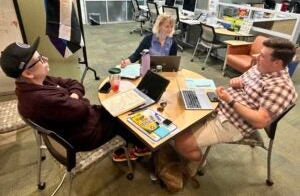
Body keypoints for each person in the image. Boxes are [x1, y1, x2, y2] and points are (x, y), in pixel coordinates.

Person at [0, 37, 150, 161]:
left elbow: (74, 83)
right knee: (121, 115)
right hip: (85, 135)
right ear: (28, 73)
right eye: (39, 59)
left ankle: (127, 145)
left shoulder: (36, 82)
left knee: (111, 107)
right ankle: (140, 147)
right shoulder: (41, 100)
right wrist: (77, 99)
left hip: (76, 125)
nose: (45, 58)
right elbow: (83, 108)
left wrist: (72, 97)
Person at [175, 37, 298, 177]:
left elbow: (259, 121)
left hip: (232, 123)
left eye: (262, 56)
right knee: (178, 112)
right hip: (218, 104)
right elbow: (242, 84)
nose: (256, 57)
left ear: (277, 63)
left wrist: (231, 100)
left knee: (182, 144)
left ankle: (199, 162)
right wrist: (235, 82)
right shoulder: (261, 68)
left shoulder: (281, 88)